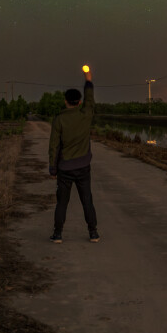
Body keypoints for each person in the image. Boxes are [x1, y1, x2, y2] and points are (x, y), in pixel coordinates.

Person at [47, 76, 98, 243]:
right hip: (83, 167)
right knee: (87, 200)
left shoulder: (59, 119)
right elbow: (90, 101)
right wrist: (88, 81)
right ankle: (93, 233)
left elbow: (54, 146)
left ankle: (58, 234)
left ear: (65, 101)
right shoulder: (86, 115)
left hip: (65, 169)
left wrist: (53, 169)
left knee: (62, 202)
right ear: (79, 102)